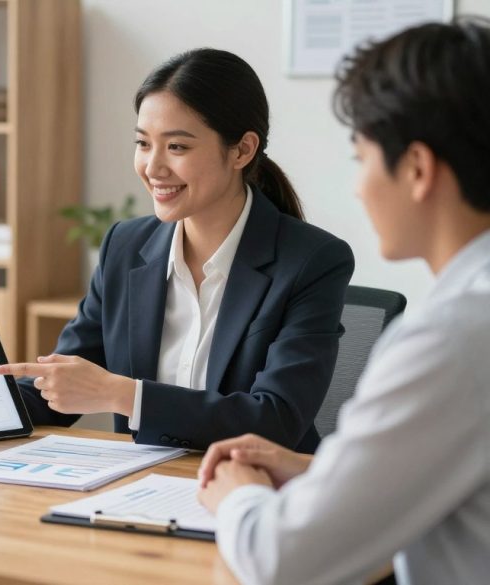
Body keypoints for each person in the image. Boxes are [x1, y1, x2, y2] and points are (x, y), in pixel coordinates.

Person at [197, 19, 490, 585]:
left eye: (361, 159)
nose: (357, 187)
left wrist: (238, 496)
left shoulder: (451, 340)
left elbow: (283, 562)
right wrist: (319, 472)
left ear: (418, 169)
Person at [0, 49, 355, 452]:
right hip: (138, 488)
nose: (153, 167)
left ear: (242, 151)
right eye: (143, 144)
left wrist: (125, 395)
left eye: (177, 147)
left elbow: (276, 420)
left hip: (254, 489)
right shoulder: (125, 247)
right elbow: (57, 393)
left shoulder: (312, 261)